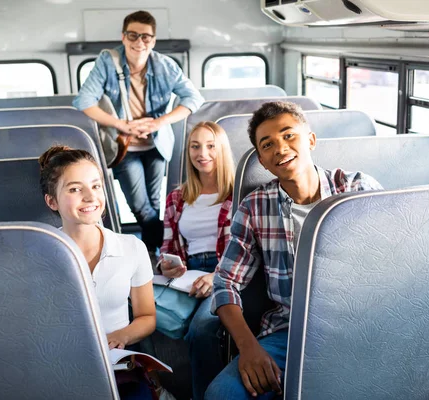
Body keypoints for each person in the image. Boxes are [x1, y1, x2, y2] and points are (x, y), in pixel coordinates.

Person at [205, 101, 384, 399]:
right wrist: (249, 348)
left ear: (310, 140)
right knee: (221, 394)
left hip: (361, 326)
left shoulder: (357, 190)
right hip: (289, 332)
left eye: (289, 136)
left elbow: (396, 259)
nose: (280, 148)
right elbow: (226, 283)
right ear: (261, 160)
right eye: (268, 144)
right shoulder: (254, 208)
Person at [73, 10, 204, 256]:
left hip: (157, 144)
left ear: (153, 41)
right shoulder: (107, 61)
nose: (139, 42)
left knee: (153, 203)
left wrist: (158, 123)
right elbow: (84, 101)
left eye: (146, 37)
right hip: (124, 147)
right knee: (140, 206)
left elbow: (193, 98)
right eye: (133, 35)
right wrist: (121, 124)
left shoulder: (166, 66)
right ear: (123, 37)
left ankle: (150, 255)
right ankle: (164, 248)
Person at [39, 146, 156, 399]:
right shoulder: (40, 255)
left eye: (96, 186)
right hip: (63, 364)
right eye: (74, 189)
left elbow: (147, 316)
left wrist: (120, 336)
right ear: (52, 201)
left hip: (118, 363)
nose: (90, 197)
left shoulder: (131, 248)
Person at [157, 121, 234, 400]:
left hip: (224, 272)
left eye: (211, 146)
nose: (203, 153)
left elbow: (246, 251)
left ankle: (203, 396)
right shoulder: (177, 197)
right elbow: (167, 246)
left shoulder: (238, 194)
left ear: (222, 149)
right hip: (187, 273)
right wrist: (166, 264)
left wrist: (216, 277)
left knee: (201, 329)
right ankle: (163, 389)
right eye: (195, 146)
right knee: (140, 313)